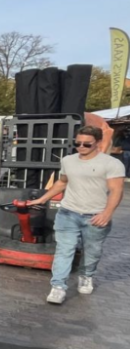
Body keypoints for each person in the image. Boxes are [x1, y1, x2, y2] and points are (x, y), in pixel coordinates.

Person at [30, 125, 124, 304]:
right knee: (64, 250)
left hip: (95, 216)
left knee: (92, 251)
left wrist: (107, 213)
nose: (81, 147)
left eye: (86, 144)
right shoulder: (68, 160)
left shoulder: (112, 164)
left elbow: (116, 191)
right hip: (68, 213)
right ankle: (58, 287)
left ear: (98, 143)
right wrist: (42, 199)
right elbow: (62, 182)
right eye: (78, 143)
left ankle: (87, 275)